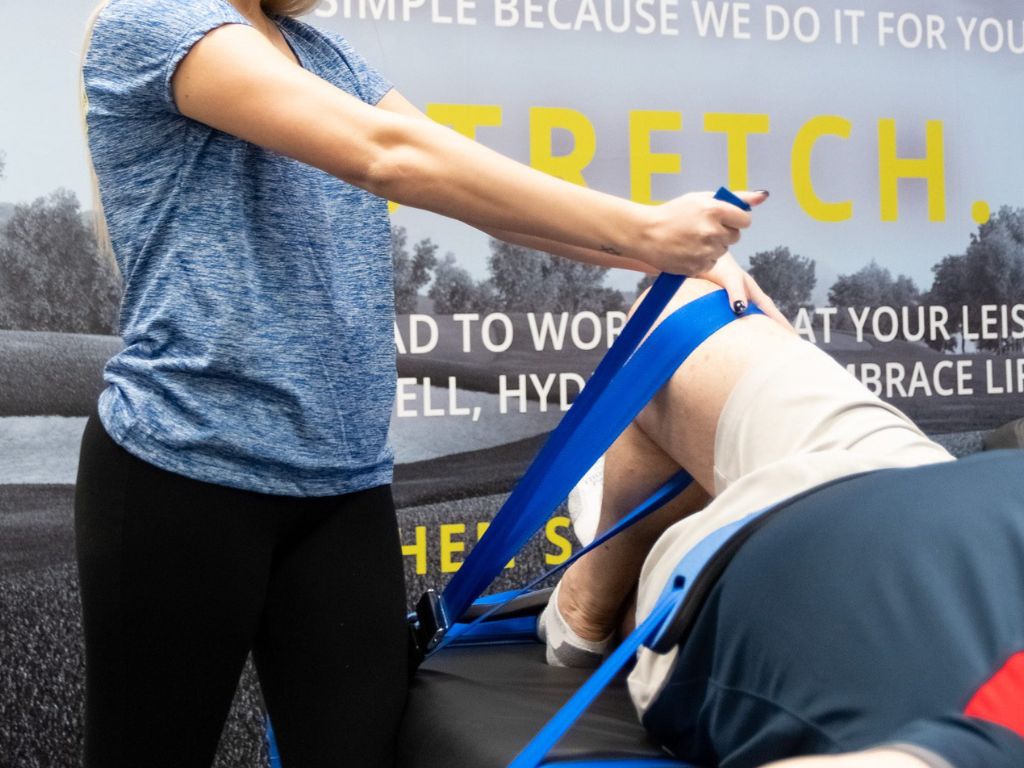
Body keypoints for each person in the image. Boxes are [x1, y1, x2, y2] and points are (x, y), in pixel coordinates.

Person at [75, 1, 790, 766]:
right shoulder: (153, 22)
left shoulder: (325, 54)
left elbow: (477, 193)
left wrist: (661, 255)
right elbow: (386, 156)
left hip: (339, 492)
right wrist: (646, 232)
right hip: (180, 478)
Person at [540, 278, 1024, 767]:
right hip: (925, 479)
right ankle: (618, 575)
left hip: (784, 582)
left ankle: (595, 604)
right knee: (679, 308)